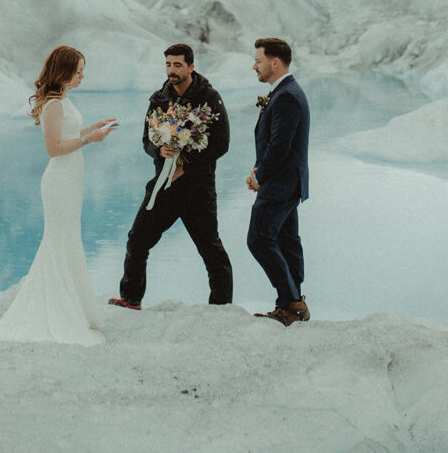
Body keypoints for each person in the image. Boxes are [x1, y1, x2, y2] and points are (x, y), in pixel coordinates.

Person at [0, 45, 117, 345]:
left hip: (70, 179)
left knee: (68, 239)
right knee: (59, 240)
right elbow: (54, 148)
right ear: (64, 71)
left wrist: (91, 128)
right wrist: (88, 139)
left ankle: (73, 306)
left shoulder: (63, 100)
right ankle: (60, 309)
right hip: (59, 181)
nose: (83, 76)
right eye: (78, 70)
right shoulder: (54, 104)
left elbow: (68, 134)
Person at [109, 43, 233, 309]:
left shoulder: (209, 98)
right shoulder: (159, 98)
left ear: (191, 66)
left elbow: (221, 143)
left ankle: (221, 309)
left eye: (177, 65)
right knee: (137, 239)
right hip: (164, 186)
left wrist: (185, 163)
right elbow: (146, 140)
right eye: (168, 64)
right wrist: (159, 150)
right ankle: (131, 299)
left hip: (197, 188)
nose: (172, 70)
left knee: (210, 249)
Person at [246, 37, 310, 326]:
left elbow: (280, 146)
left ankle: (291, 302)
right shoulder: (284, 91)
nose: (254, 65)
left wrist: (260, 176)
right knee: (286, 241)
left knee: (259, 239)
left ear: (275, 62)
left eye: (258, 60)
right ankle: (294, 303)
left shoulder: (286, 96)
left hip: (280, 184)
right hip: (287, 182)